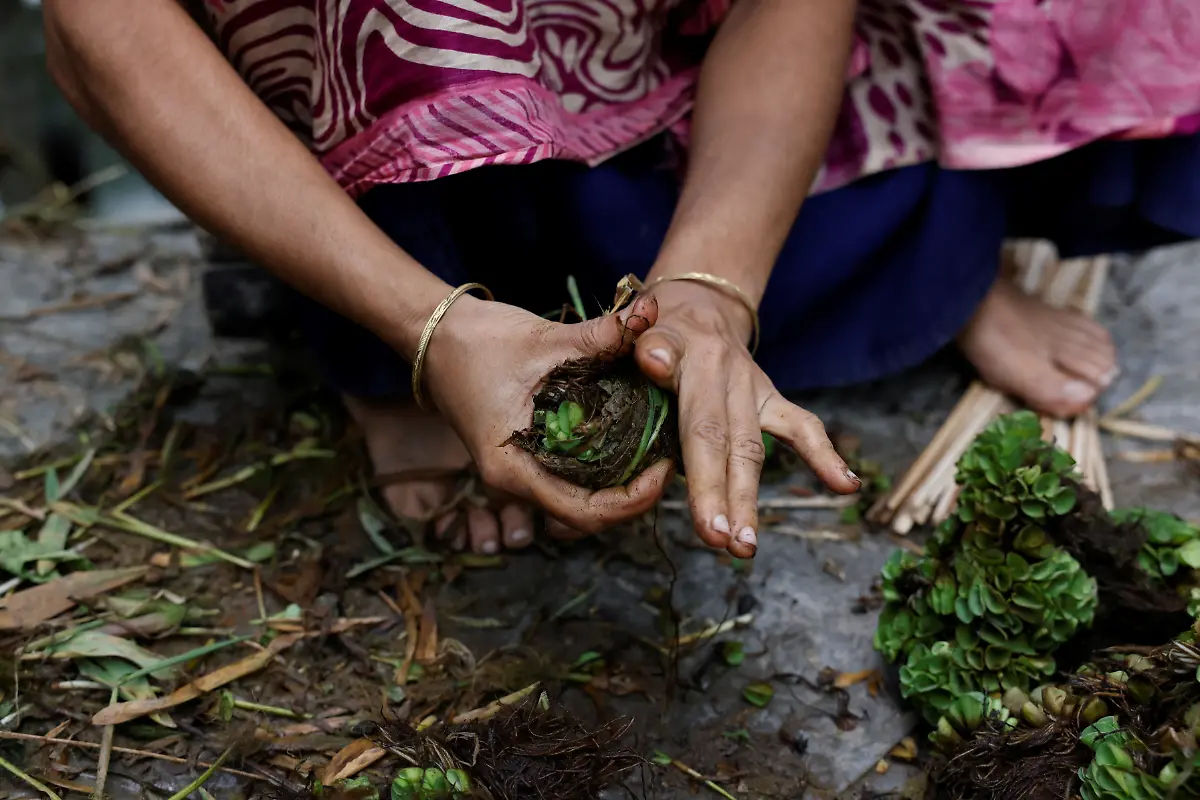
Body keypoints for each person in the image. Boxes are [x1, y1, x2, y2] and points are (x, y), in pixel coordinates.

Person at [43, 0, 1200, 560]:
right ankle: (403, 348)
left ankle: (925, 261)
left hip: (671, 61)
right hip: (381, 73)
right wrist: (429, 324)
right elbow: (102, 32)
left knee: (838, 232)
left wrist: (710, 289)